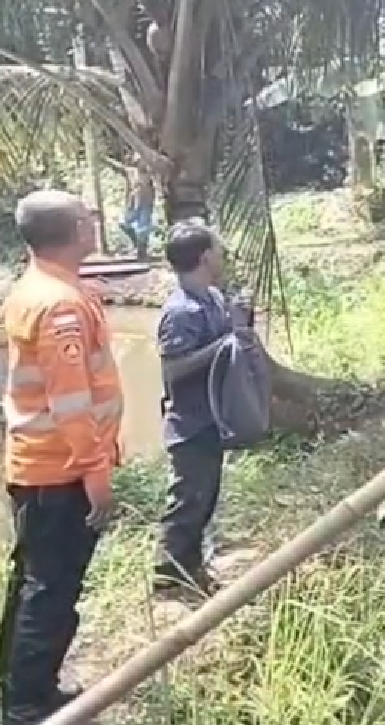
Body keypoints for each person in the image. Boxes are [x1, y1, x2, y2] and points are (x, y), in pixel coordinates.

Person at [0, 189, 123, 725]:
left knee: (32, 583)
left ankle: (22, 690)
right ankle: (29, 705)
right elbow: (71, 404)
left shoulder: (37, 290)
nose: (93, 225)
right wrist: (97, 473)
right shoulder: (60, 305)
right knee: (51, 590)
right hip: (60, 472)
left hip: (37, 466)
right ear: (74, 228)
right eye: (87, 217)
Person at [154, 220, 247, 597]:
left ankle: (191, 573)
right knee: (188, 502)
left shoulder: (213, 299)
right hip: (189, 425)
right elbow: (174, 369)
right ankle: (166, 577)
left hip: (212, 419)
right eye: (219, 250)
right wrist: (225, 342)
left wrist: (241, 324)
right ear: (205, 256)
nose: (223, 256)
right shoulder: (180, 312)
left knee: (205, 499)